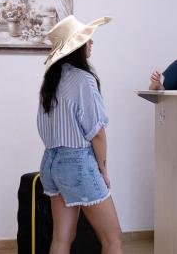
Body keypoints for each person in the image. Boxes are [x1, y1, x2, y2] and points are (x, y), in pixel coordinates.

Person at [37, 15, 122, 254]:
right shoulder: (84, 80)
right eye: (88, 40)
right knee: (113, 238)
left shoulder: (51, 80)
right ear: (77, 47)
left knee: (62, 238)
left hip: (51, 163)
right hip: (78, 164)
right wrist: (103, 170)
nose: (91, 43)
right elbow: (96, 133)